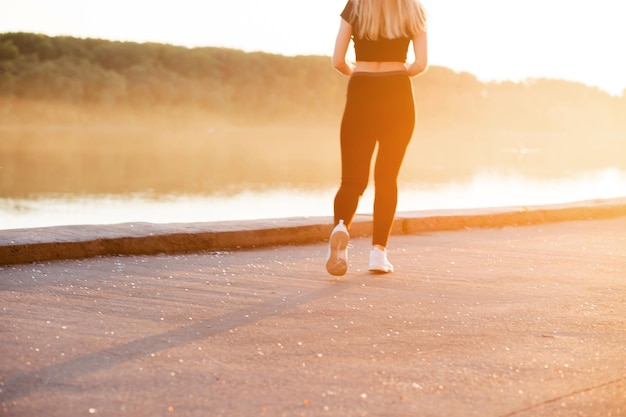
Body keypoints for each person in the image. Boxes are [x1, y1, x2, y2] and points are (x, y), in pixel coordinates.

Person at [326, 0, 428, 276]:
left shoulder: (356, 5)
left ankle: (341, 228)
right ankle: (378, 255)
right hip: (398, 93)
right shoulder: (413, 8)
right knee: (386, 179)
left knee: (351, 180)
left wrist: (358, 73)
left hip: (361, 90)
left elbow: (337, 61)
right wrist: (398, 73)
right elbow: (420, 63)